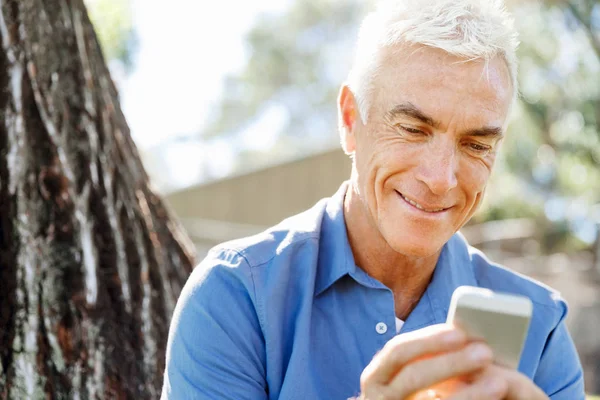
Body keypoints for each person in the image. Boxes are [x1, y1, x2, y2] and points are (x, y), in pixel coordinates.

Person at [161, 0, 585, 398]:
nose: (440, 179)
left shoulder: (541, 329)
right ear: (350, 120)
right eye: (412, 129)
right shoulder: (236, 297)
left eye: (476, 145)